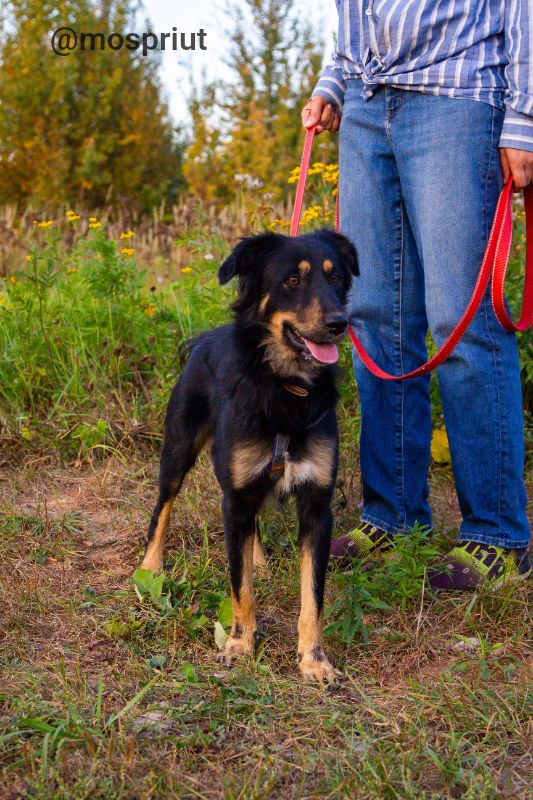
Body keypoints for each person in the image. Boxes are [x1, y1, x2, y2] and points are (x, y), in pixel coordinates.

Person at [301, 0, 532, 591]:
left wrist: (524, 116)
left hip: (456, 97)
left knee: (463, 321)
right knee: (373, 318)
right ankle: (393, 517)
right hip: (364, 104)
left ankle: (498, 537)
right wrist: (334, 79)